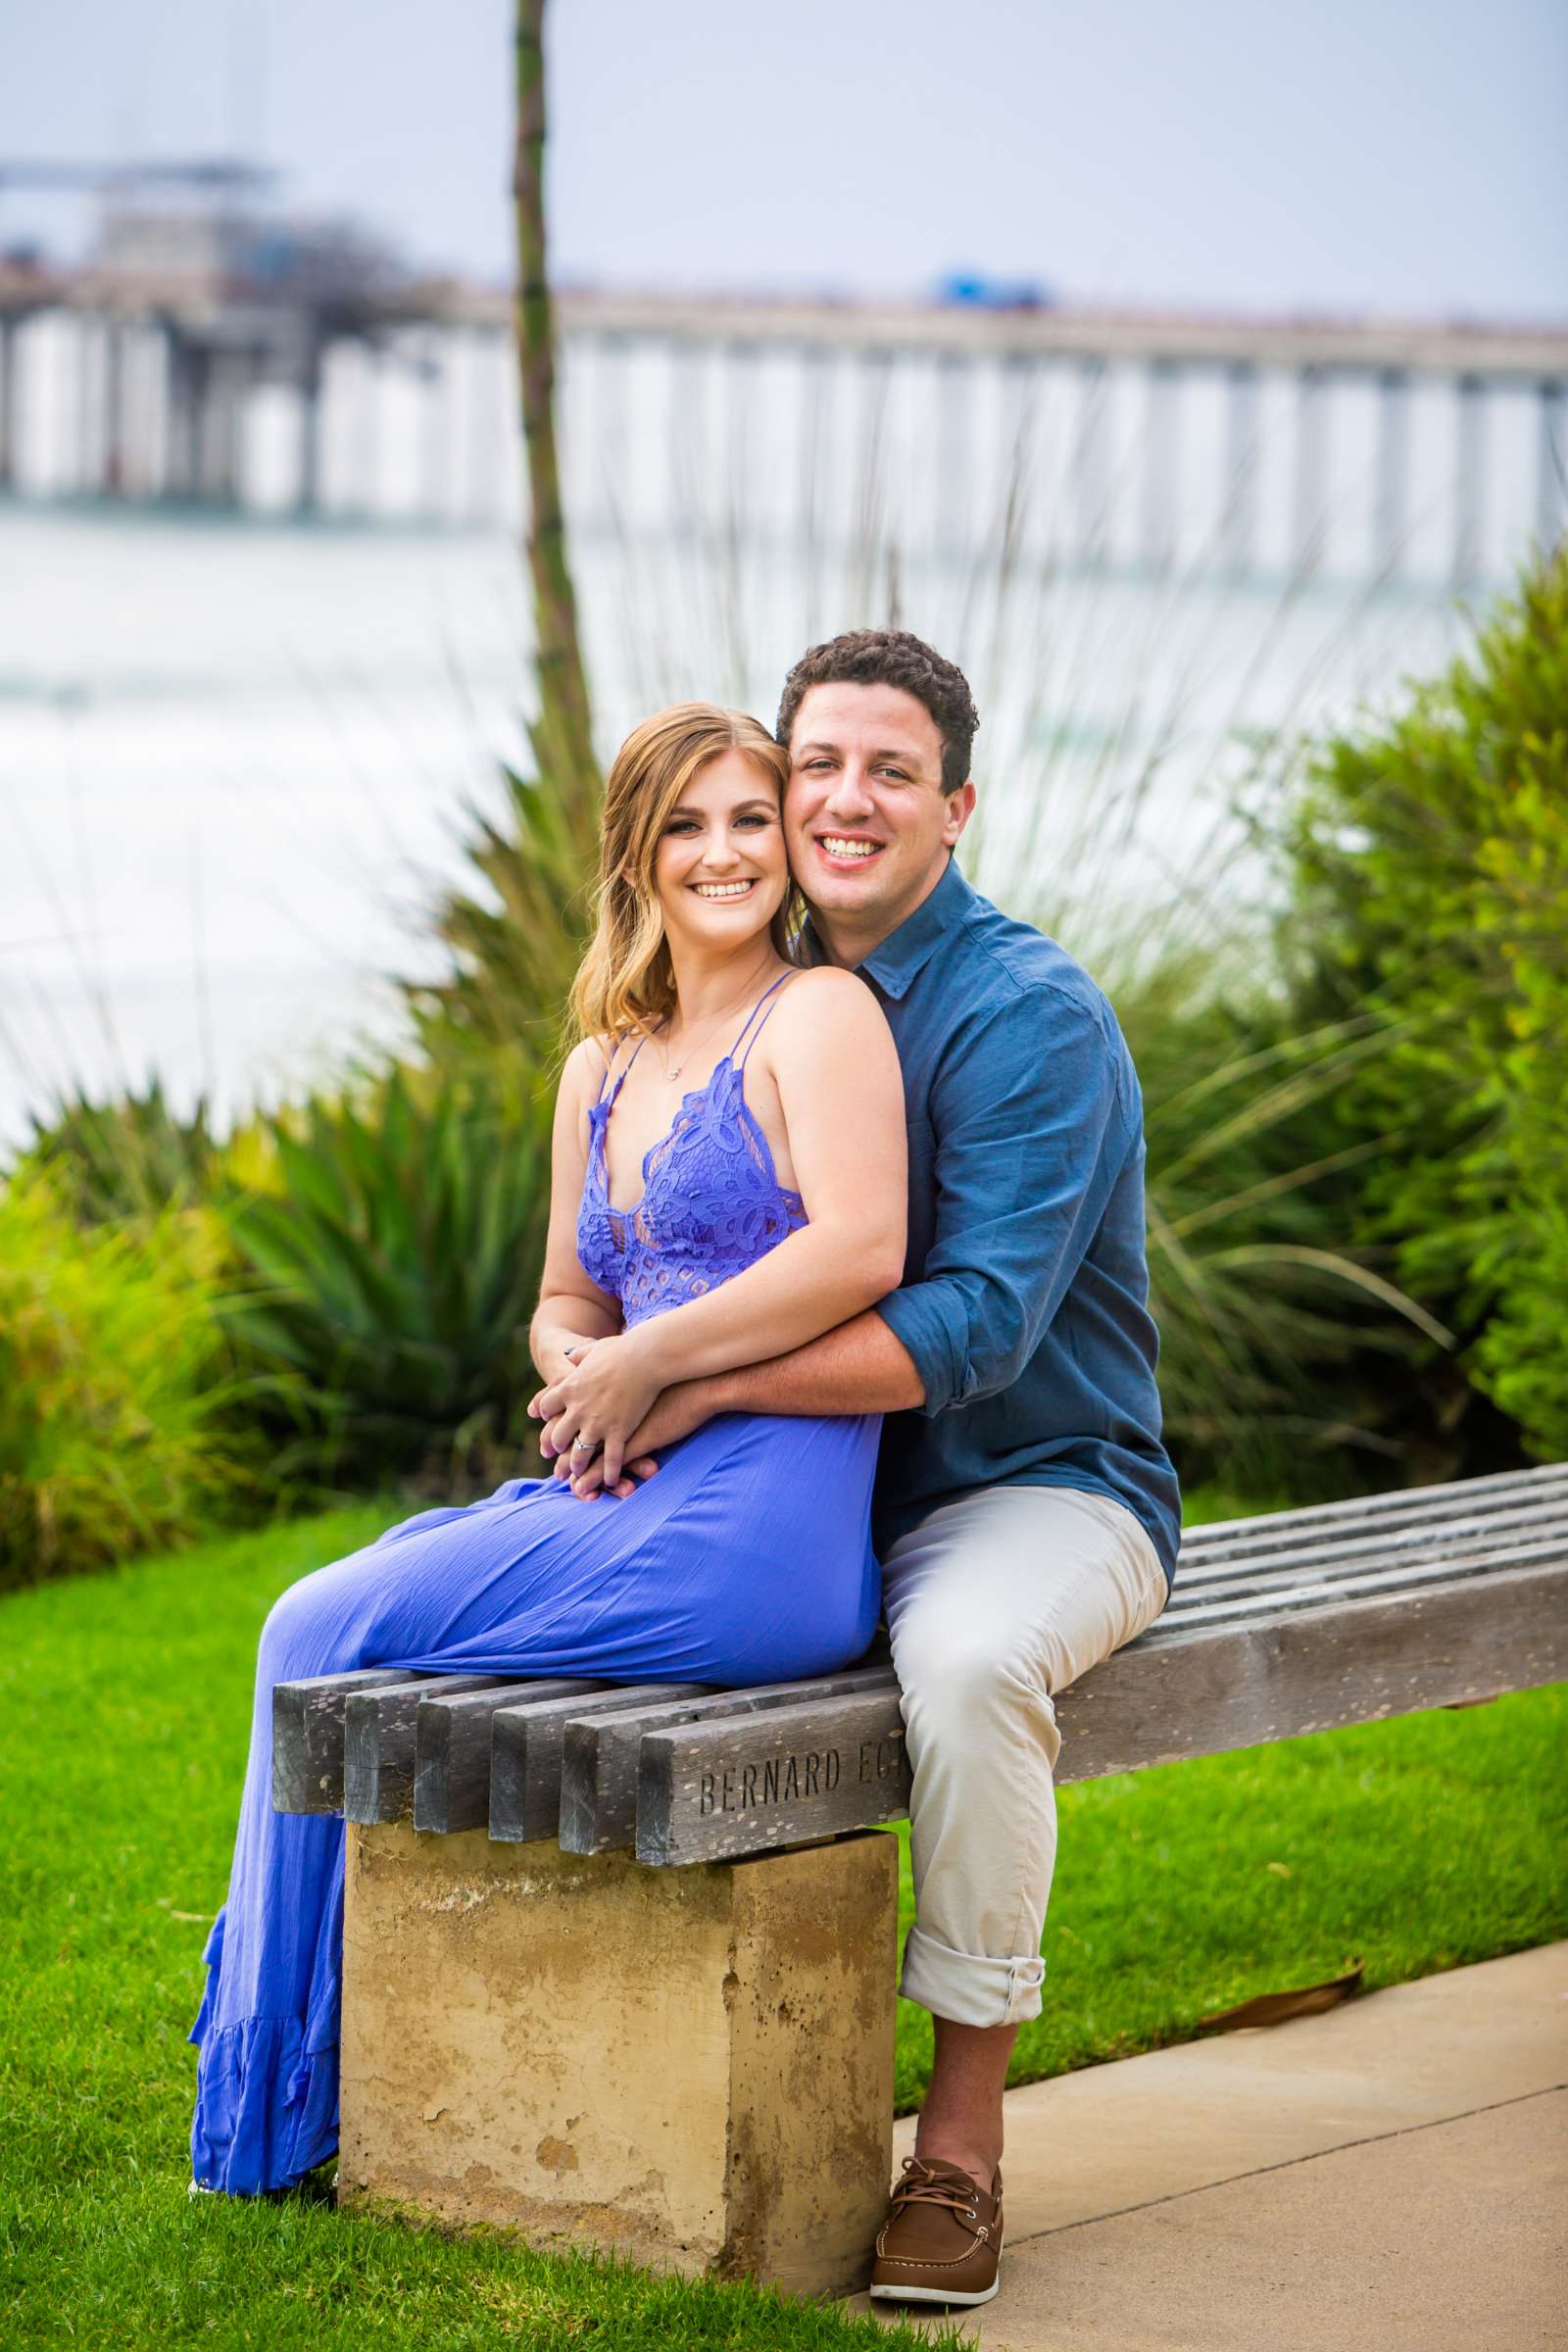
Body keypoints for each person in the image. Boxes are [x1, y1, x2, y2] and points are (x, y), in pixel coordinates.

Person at [186, 702, 907, 2196]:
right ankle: (300, 2087)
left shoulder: (821, 1018)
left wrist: (652, 1361)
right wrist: (577, 1362)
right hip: (626, 1493)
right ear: (634, 858)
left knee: (315, 1622)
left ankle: (267, 2119)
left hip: (761, 1538)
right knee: (351, 1607)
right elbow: (564, 1300)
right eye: (687, 825)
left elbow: (863, 1246)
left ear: (785, 844)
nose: (726, 853)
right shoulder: (601, 1063)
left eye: (750, 819)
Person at [544, 630, 1181, 2311]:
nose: (841, 800)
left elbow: (969, 1330)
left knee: (966, 1668)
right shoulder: (757, 996)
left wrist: (679, 1380)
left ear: (955, 807)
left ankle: (958, 2154)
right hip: (809, 1493)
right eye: (815, 764)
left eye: (891, 771)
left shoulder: (1025, 1017)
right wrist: (614, 1383)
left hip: (1035, 1487)